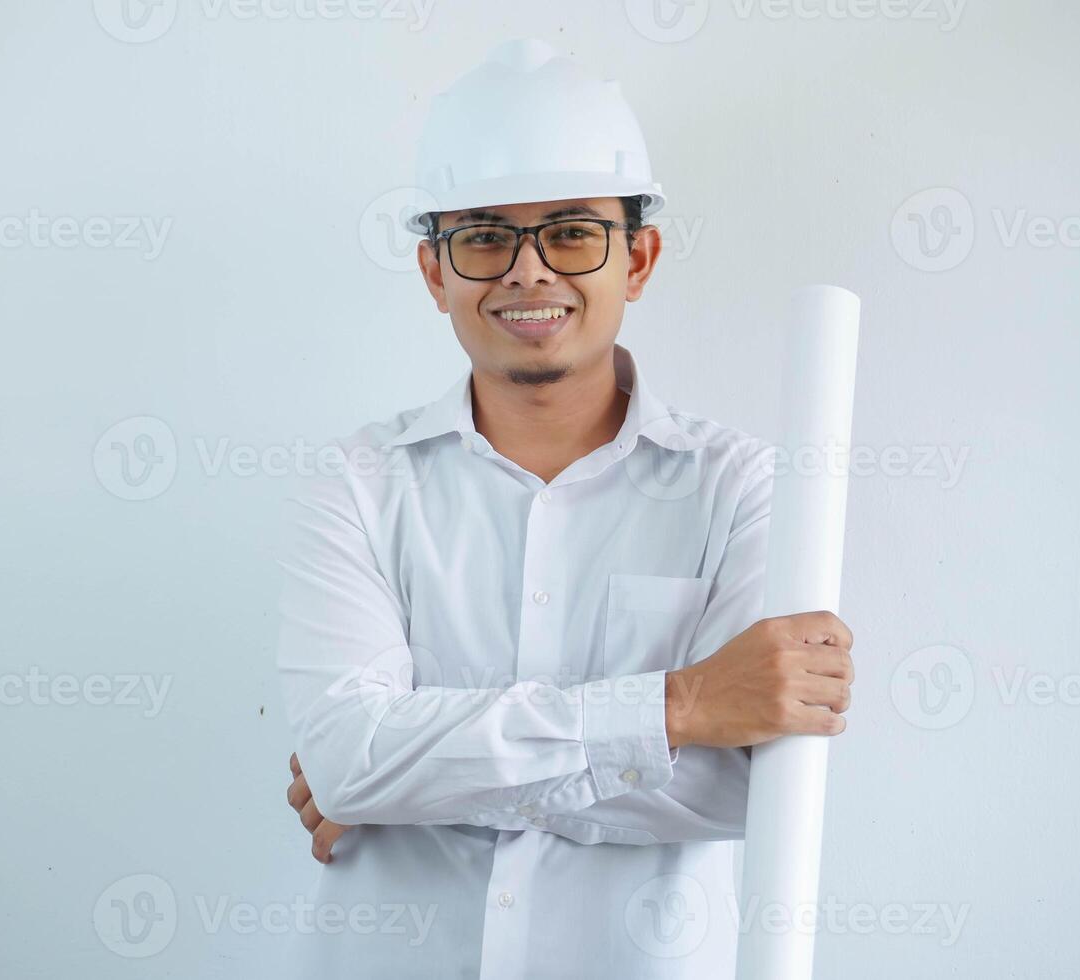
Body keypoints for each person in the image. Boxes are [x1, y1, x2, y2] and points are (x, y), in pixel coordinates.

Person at [274, 38, 855, 979]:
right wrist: (683, 705)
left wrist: (415, 774)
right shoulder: (359, 483)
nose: (530, 271)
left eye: (573, 231)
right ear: (436, 273)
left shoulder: (743, 487)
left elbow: (744, 790)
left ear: (639, 258)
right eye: (486, 235)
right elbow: (349, 762)